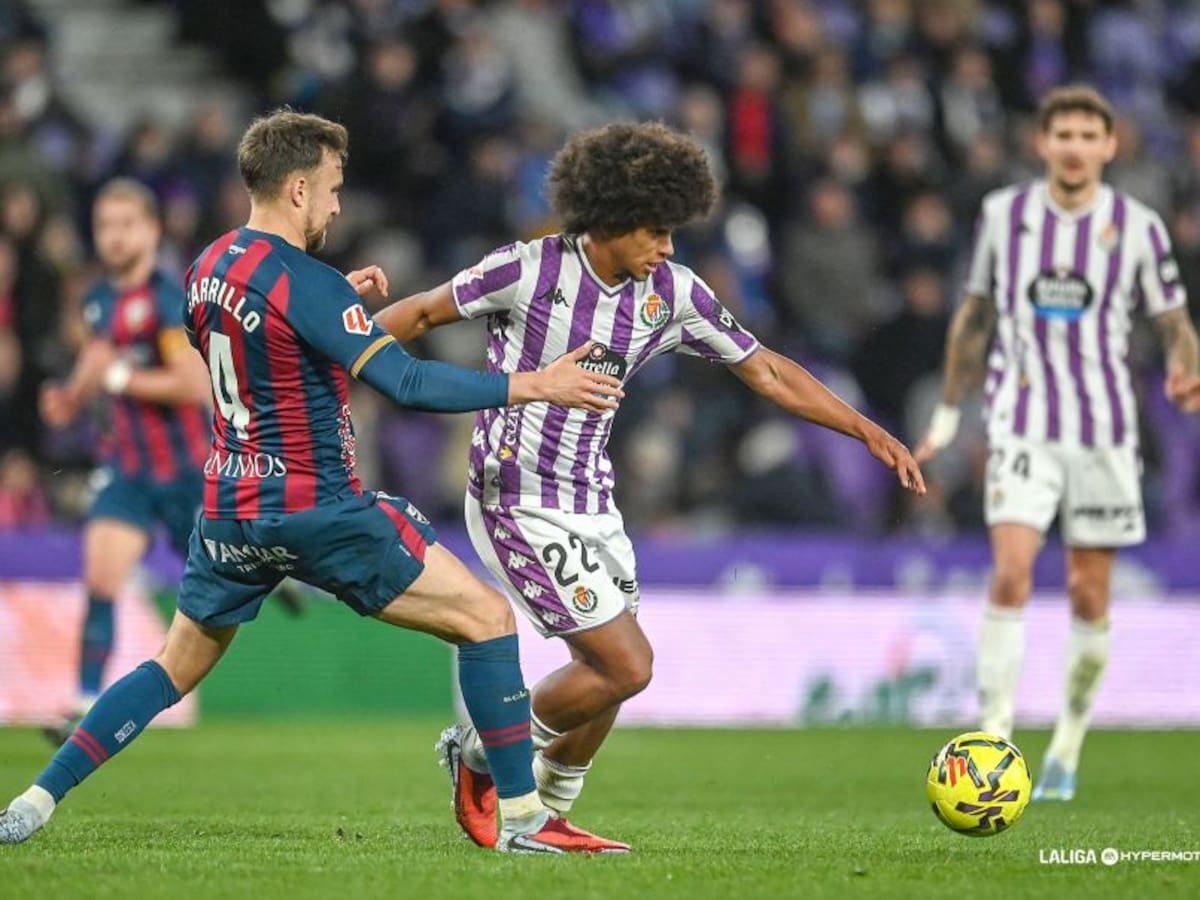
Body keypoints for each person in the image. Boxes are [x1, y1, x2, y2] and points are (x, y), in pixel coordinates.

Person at [1, 109, 629, 854]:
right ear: (297, 189)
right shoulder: (309, 282)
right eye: (332, 188)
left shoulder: (206, 268)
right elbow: (407, 381)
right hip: (319, 508)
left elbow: (265, 361)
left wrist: (344, 312)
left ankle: (36, 800)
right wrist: (536, 384)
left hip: (232, 511)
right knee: (486, 619)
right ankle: (524, 816)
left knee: (171, 667)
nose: (337, 204)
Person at [371, 121, 926, 849]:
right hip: (516, 494)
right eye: (654, 231)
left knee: (611, 672)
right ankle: (478, 755)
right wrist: (332, 361)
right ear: (606, 219)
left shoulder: (673, 294)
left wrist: (864, 428)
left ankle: (552, 808)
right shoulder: (525, 269)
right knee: (626, 665)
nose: (666, 246)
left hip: (592, 499)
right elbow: (414, 314)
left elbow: (764, 369)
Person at [915, 85, 1199, 801]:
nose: (1073, 145)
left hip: (1103, 431)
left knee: (1086, 592)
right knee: (1010, 572)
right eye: (1062, 133)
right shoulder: (1003, 217)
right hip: (1020, 422)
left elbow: (1172, 318)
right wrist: (951, 411)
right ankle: (995, 741)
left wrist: (1185, 362)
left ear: (1110, 146)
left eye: (1087, 134)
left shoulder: (1137, 227)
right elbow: (974, 316)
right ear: (1042, 143)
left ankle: (1069, 743)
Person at [38, 178, 214, 743]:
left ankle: (280, 569)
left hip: (188, 470)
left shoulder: (166, 301)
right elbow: (97, 353)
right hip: (129, 470)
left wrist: (119, 378)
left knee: (231, 574)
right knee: (101, 577)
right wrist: (72, 395)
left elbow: (193, 386)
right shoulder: (99, 300)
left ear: (152, 230)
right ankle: (84, 701)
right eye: (104, 226)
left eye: (125, 225)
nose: (113, 237)